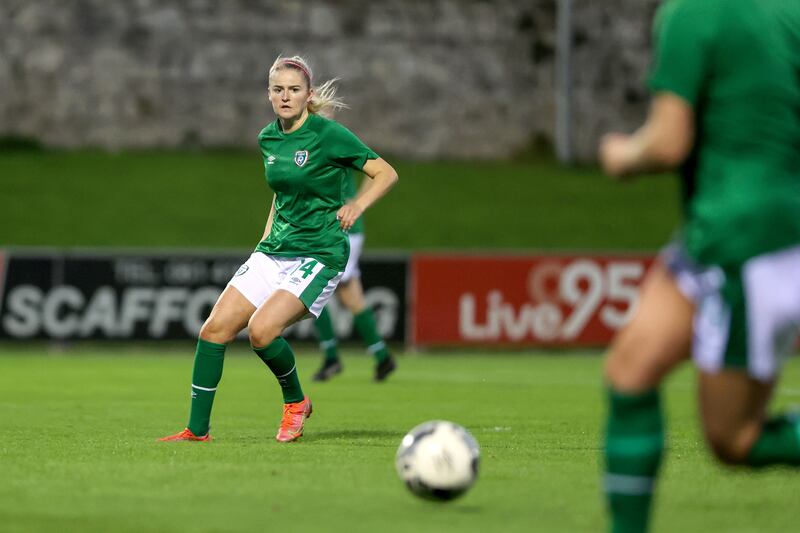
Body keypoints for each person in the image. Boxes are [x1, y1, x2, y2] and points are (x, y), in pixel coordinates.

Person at [598, 1, 800, 531]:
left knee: (734, 440)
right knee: (630, 371)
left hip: (745, 240)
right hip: (721, 233)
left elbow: (667, 143)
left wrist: (622, 155)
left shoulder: (693, 11)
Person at [159, 55, 398, 443]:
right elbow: (280, 195)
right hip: (273, 251)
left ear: (309, 95)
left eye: (294, 89)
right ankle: (196, 430)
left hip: (319, 254)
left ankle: (295, 402)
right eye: (278, 89)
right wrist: (263, 241)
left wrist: (357, 205)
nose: (285, 96)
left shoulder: (328, 135)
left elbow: (386, 172)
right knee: (214, 330)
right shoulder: (267, 138)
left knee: (262, 331)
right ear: (268, 94)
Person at [311, 175, 397, 382]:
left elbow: (376, 169)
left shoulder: (335, 143)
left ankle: (332, 357)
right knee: (351, 298)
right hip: (330, 230)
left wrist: (358, 202)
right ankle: (382, 357)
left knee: (311, 292)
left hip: (342, 231)